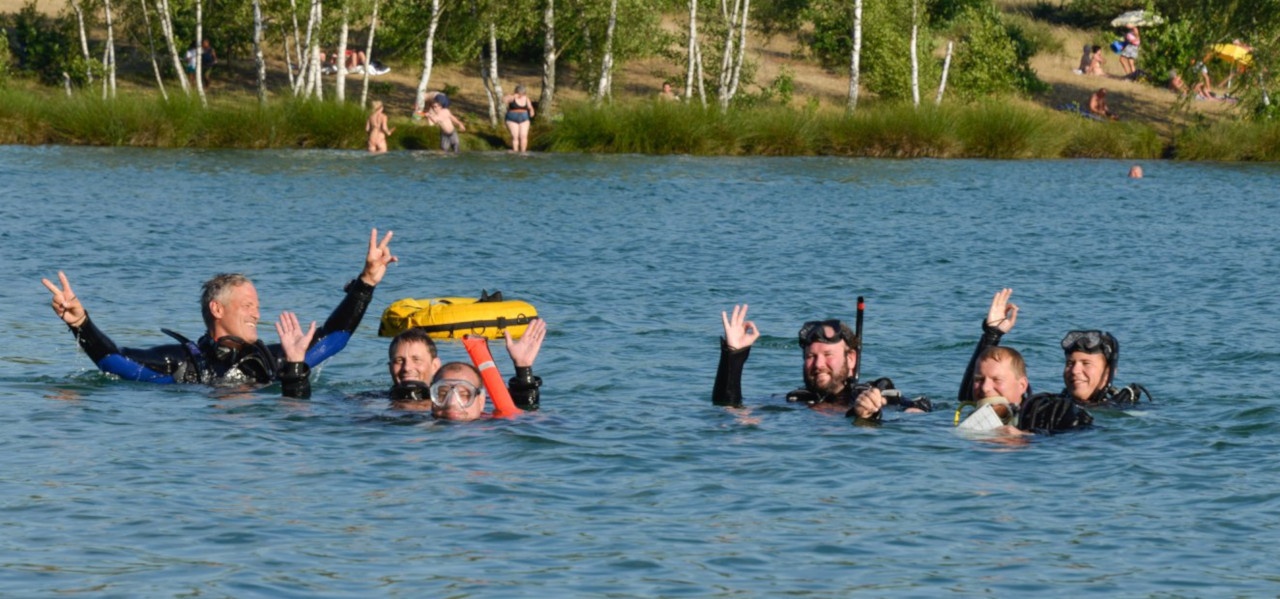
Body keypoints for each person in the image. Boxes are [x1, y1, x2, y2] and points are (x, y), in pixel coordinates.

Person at [40, 229, 397, 399]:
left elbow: (335, 339)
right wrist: (80, 323)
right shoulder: (180, 363)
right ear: (217, 309)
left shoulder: (276, 359)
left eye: (257, 305)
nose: (257, 313)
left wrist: (366, 282)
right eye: (247, 305)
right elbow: (115, 363)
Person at [712, 304, 931, 421]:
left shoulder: (874, 397)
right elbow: (728, 408)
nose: (818, 364)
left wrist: (914, 412)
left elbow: (924, 406)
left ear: (851, 358)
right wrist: (733, 356)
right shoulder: (794, 401)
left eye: (828, 355)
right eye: (810, 356)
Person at [957, 289, 1092, 434]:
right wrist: (992, 334)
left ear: (1022, 385)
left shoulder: (1043, 412)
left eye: (997, 380)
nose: (985, 388)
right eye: (979, 379)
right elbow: (965, 396)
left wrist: (1026, 437)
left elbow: (1084, 434)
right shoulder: (968, 412)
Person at [387, 318, 547, 419]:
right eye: (399, 360)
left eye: (416, 359)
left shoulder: (471, 396)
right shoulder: (377, 400)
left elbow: (524, 410)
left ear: (435, 365)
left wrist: (523, 368)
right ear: (390, 367)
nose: (407, 368)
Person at [503, 84, 535, 153]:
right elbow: (504, 100)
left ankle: (523, 152)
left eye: (523, 93)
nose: (521, 95)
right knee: (515, 136)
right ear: (516, 92)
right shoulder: (512, 97)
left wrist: (532, 111)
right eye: (520, 93)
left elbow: (530, 107)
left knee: (523, 136)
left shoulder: (526, 98)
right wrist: (512, 96)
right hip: (512, 119)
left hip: (524, 118)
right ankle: (515, 151)